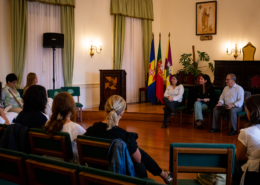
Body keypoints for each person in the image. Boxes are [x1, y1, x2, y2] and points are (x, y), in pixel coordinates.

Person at [85, 95, 172, 184]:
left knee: (136, 152)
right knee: (139, 162)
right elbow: (138, 159)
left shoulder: (93, 128)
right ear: (122, 112)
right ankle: (164, 175)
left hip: (95, 172)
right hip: (115, 174)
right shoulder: (123, 135)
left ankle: (163, 174)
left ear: (105, 108)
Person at [42, 92, 85, 164]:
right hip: (68, 168)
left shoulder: (48, 123)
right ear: (71, 108)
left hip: (49, 164)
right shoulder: (77, 128)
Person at [232, 95, 260, 184]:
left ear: (251, 112)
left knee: (231, 157)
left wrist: (249, 154)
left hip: (253, 173)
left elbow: (240, 157)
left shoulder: (246, 132)